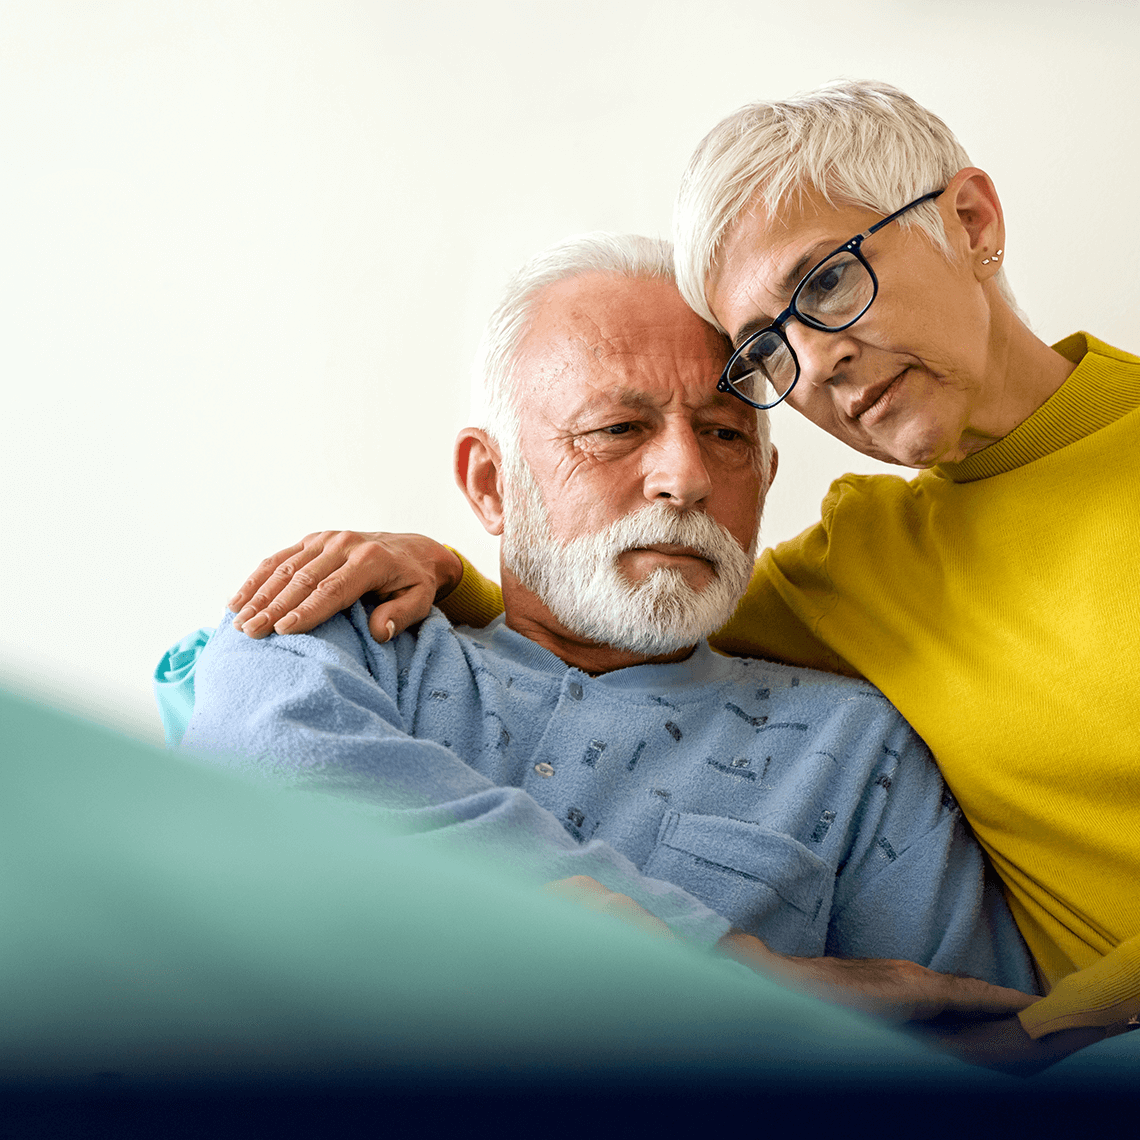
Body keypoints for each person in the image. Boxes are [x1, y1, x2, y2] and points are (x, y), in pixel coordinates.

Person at [223, 82, 1139, 1055]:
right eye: (768, 345)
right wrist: (448, 569)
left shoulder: (857, 688)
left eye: (828, 281)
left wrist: (1051, 1032)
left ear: (972, 221)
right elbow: (618, 617)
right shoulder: (858, 562)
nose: (816, 362)